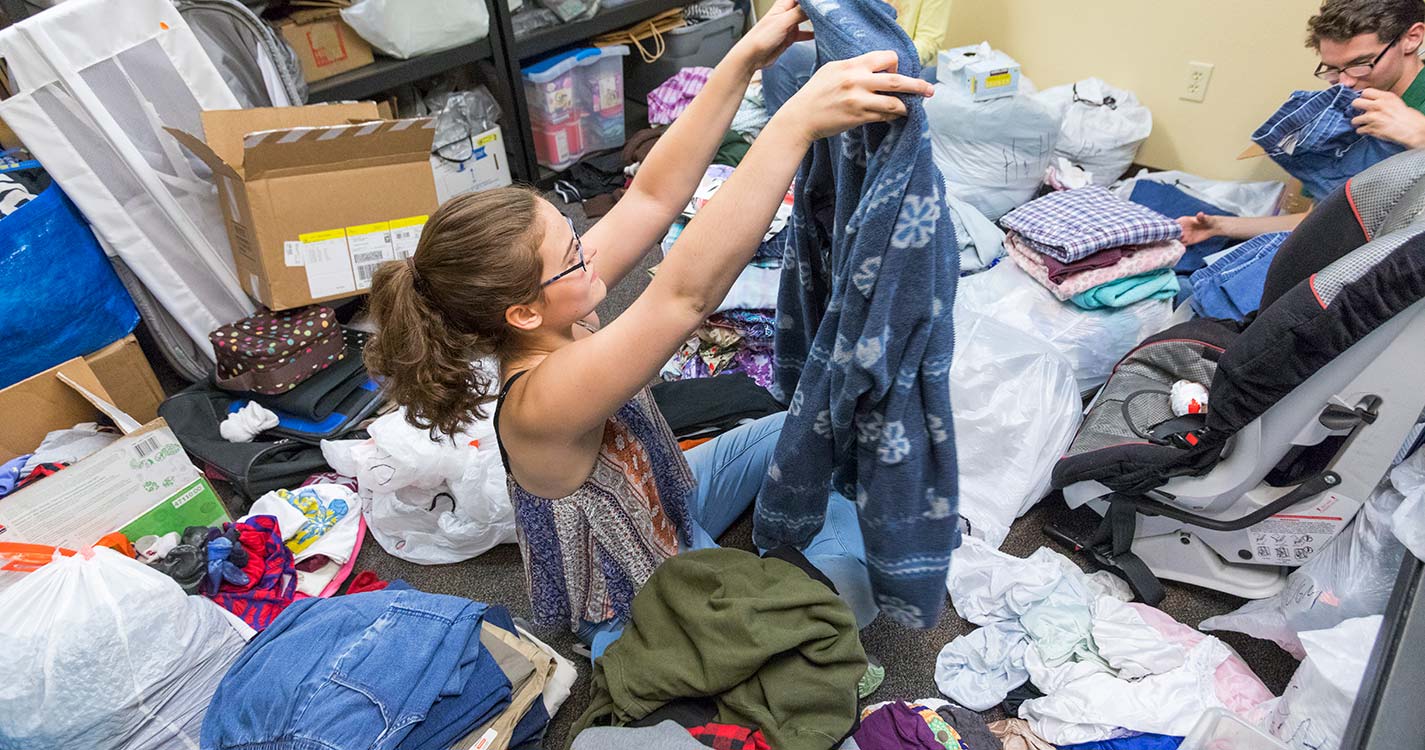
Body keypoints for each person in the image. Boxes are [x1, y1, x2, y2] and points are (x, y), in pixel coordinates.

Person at [364, 0, 934, 656]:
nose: (588, 247)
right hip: (634, 597)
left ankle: (758, 561)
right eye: (571, 252)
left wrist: (745, 56)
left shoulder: (553, 305)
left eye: (572, 231)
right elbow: (682, 297)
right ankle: (695, 619)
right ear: (520, 311)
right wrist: (793, 124)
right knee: (837, 606)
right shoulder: (540, 402)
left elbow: (651, 198)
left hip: (670, 505)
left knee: (820, 421)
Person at [1179, 0, 1425, 244]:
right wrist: (1219, 226)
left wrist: (1419, 136)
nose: (1344, 83)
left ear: (1412, 38)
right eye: (1332, 69)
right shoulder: (1344, 113)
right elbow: (1318, 221)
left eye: (1359, 64)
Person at [763, 0, 947, 116]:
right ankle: (781, 142)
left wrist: (883, 58)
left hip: (898, 62)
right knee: (783, 57)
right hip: (843, 55)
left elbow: (929, 41)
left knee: (936, 77)